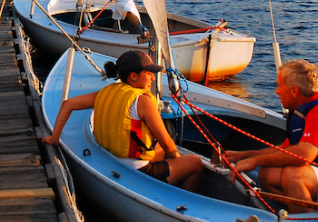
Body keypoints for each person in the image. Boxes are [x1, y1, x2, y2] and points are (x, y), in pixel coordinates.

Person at [222, 59, 318, 211]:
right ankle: (301, 214)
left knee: (294, 174)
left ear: (294, 90)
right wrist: (244, 156)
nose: (276, 91)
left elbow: (304, 155)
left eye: (279, 86)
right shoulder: (307, 111)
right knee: (268, 173)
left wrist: (254, 161)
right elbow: (286, 150)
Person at [43, 50, 204, 191]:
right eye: (148, 73)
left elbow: (67, 105)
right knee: (195, 163)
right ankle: (179, 198)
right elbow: (168, 144)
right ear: (133, 76)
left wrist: (54, 138)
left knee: (160, 152)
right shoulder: (142, 101)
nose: (153, 79)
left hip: (111, 159)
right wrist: (178, 159)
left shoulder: (105, 92)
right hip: (139, 171)